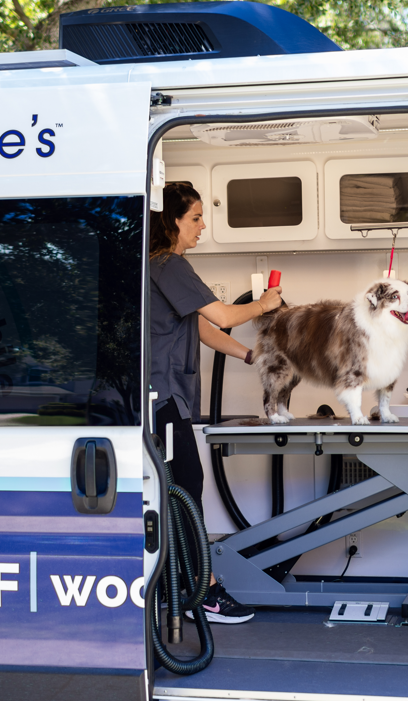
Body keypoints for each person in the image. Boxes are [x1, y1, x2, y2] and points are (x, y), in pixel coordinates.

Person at [149, 182, 283, 624]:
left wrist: (250, 355)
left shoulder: (165, 267)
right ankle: (200, 592)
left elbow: (203, 328)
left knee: (176, 492)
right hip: (162, 400)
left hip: (167, 399)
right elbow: (223, 314)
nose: (203, 225)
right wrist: (264, 304)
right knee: (186, 490)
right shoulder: (167, 264)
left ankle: (174, 586)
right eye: (195, 218)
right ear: (171, 220)